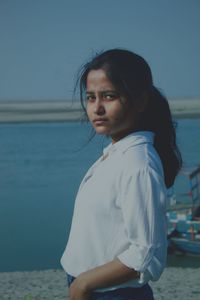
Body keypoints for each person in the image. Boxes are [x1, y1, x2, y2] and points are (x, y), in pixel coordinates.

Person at [61, 48, 182, 300]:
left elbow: (147, 254)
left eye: (109, 96)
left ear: (140, 100)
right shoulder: (116, 153)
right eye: (91, 97)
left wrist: (83, 284)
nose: (97, 108)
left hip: (114, 294)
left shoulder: (138, 163)